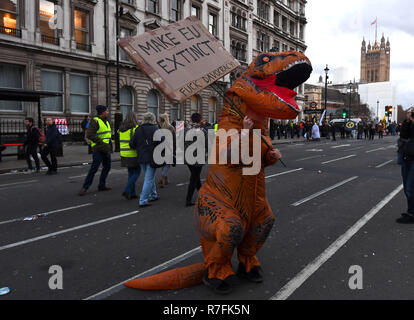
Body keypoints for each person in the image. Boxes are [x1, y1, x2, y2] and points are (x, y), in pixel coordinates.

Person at [79, 105, 113, 196]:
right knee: (94, 169)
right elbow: (89, 134)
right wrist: (101, 142)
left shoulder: (106, 121)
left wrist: (109, 145)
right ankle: (85, 187)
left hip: (105, 149)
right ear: (102, 112)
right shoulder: (95, 121)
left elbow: (107, 135)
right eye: (107, 111)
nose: (108, 112)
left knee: (107, 167)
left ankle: (102, 185)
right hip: (98, 149)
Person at [130, 112, 160, 208]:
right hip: (152, 157)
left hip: (141, 157)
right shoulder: (155, 129)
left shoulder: (139, 129)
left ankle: (153, 195)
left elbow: (132, 144)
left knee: (149, 177)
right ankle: (143, 200)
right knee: (149, 178)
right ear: (152, 119)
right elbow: (162, 142)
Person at [185, 112, 208, 207]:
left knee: (196, 176)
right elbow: (207, 144)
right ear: (200, 120)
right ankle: (188, 200)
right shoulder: (203, 130)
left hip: (188, 156)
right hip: (198, 157)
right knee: (194, 178)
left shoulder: (186, 129)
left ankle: (202, 195)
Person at [396, 109, 414, 223]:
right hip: (406, 157)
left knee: (409, 187)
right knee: (407, 188)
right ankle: (410, 211)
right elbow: (403, 135)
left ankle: (412, 214)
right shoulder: (409, 124)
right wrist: (407, 121)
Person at [119, 112, 140, 200]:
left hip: (123, 154)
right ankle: (127, 190)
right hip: (133, 154)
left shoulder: (121, 129)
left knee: (131, 173)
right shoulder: (136, 128)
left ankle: (133, 193)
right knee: (137, 172)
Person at [158, 113, 176, 188]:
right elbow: (174, 139)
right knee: (167, 164)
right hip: (169, 147)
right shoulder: (171, 127)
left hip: (160, 148)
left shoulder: (159, 128)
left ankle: (166, 179)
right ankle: (162, 177)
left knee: (164, 163)